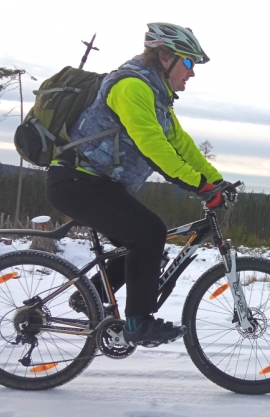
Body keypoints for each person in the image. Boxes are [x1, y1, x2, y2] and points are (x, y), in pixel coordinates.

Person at [45, 22, 226, 346]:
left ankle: (89, 296)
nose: (192, 73)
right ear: (165, 57)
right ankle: (137, 323)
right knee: (150, 232)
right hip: (76, 181)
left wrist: (216, 181)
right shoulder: (131, 86)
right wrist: (200, 186)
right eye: (188, 63)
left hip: (97, 184)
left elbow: (181, 144)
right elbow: (154, 147)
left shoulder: (157, 97)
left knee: (148, 249)